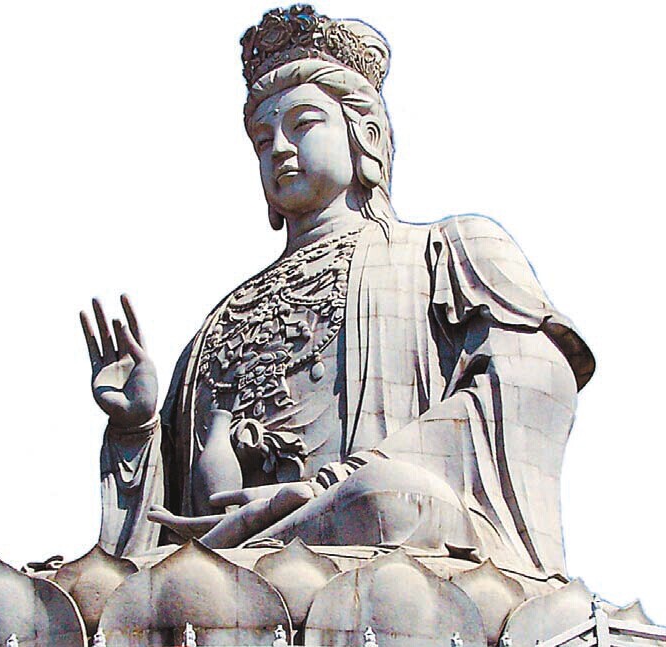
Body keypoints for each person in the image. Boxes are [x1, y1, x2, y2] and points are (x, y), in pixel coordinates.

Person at [79, 5, 594, 579]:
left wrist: (334, 483)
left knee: (388, 495)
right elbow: (166, 520)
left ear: (364, 136)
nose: (279, 148)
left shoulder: (449, 249)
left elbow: (538, 388)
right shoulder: (220, 322)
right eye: (262, 139)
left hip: (375, 540)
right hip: (231, 571)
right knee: (104, 580)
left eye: (303, 124)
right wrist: (138, 431)